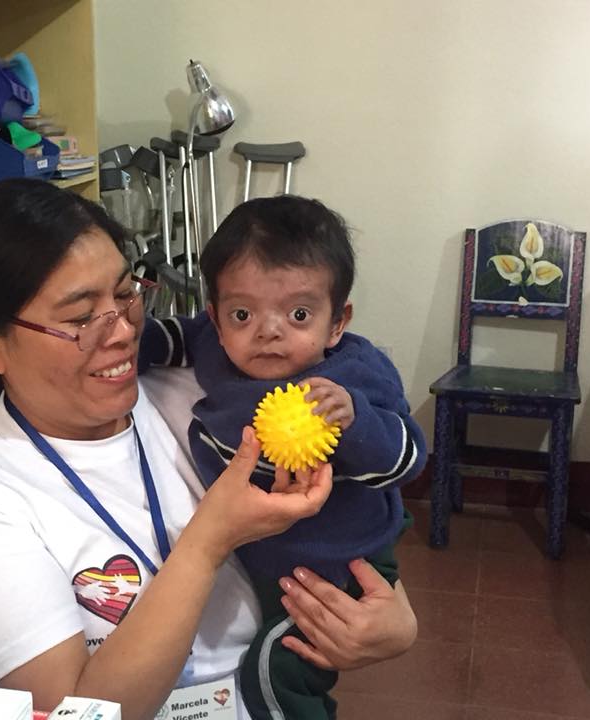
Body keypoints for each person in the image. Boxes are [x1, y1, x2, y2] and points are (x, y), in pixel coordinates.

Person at [0, 179, 418, 720]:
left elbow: (355, 518)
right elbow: (73, 715)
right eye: (80, 318)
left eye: (125, 295)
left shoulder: (207, 400)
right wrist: (207, 541)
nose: (123, 331)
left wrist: (393, 624)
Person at [139, 195, 427, 719]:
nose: (268, 330)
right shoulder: (214, 343)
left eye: (298, 313)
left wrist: (356, 420)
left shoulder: (352, 379)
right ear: (217, 318)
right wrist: (118, 341)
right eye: (242, 313)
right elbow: (168, 338)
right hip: (265, 560)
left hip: (338, 563)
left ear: (337, 322)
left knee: (280, 668)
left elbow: (407, 459)